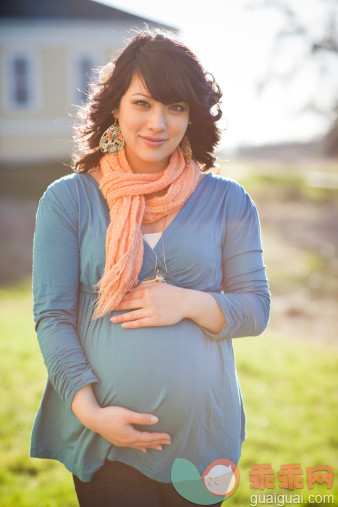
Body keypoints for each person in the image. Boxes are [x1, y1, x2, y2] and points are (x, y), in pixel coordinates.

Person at [30, 29, 270, 506]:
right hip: (105, 441)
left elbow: (256, 309)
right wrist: (92, 413)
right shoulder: (69, 200)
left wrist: (186, 302)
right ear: (115, 107)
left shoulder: (228, 201)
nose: (158, 122)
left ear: (192, 115)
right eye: (143, 103)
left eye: (176, 107)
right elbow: (52, 317)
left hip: (204, 442)